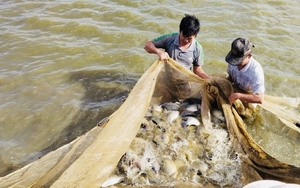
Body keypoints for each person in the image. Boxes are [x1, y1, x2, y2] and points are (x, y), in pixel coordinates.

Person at [144, 14, 209, 79]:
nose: (186, 40)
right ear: (180, 31)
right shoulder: (169, 38)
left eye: (189, 38)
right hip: (167, 79)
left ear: (195, 36)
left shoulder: (197, 48)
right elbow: (147, 45)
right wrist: (159, 52)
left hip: (184, 81)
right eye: (184, 36)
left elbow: (197, 69)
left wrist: (209, 79)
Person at [225, 37, 265, 105]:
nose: (236, 64)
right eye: (234, 60)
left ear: (249, 56)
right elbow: (231, 78)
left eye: (239, 61)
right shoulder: (232, 63)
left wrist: (238, 96)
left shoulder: (256, 71)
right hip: (235, 91)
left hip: (249, 97)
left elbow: (260, 98)